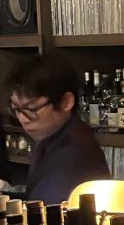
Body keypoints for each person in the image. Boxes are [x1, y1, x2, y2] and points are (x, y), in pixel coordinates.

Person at [5, 53, 110, 205]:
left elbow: (48, 205)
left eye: (31, 109)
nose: (23, 119)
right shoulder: (51, 135)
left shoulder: (76, 151)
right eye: (16, 109)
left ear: (66, 102)